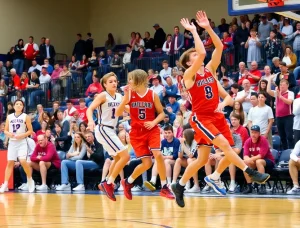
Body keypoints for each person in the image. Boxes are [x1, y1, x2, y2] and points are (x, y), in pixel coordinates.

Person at [171, 11, 269, 208]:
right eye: (193, 55)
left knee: (203, 159)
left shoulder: (210, 69)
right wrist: (194, 31)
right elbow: (203, 52)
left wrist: (207, 27)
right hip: (201, 118)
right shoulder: (188, 75)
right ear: (189, 62)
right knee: (224, 145)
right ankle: (249, 172)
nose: (197, 55)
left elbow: (219, 46)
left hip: (216, 116)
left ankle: (181, 185)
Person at [116, 69, 174, 200]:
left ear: (139, 80)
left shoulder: (152, 94)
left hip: (152, 129)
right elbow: (118, 113)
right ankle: (128, 182)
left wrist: (154, 122)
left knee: (158, 155)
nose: (129, 81)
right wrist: (125, 97)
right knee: (147, 163)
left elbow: (162, 113)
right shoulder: (130, 94)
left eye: (131, 79)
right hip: (136, 133)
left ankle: (164, 187)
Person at [87, 72, 130, 201]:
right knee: (125, 156)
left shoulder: (119, 96)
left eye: (115, 81)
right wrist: (90, 121)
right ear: (104, 84)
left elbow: (127, 109)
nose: (113, 83)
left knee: (117, 158)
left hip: (111, 130)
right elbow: (89, 109)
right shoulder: (103, 95)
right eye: (110, 81)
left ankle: (106, 182)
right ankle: (109, 183)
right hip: (103, 128)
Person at [0, 100, 35, 193]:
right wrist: (9, 134)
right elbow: (5, 130)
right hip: (12, 142)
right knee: (10, 163)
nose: (19, 105)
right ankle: (5, 184)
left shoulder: (25, 117)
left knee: (23, 161)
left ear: (22, 107)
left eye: (20, 104)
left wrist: (22, 135)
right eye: (17, 104)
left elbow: (30, 131)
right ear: (14, 106)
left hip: (22, 141)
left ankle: (30, 180)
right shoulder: (9, 117)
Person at [242, 125, 275, 194]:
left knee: (258, 161)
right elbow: (245, 156)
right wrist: (247, 160)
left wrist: (249, 159)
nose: (253, 134)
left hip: (268, 161)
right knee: (245, 164)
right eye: (252, 132)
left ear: (259, 133)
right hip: (254, 161)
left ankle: (262, 186)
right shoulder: (248, 141)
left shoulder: (263, 140)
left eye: (256, 132)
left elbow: (261, 155)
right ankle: (249, 186)